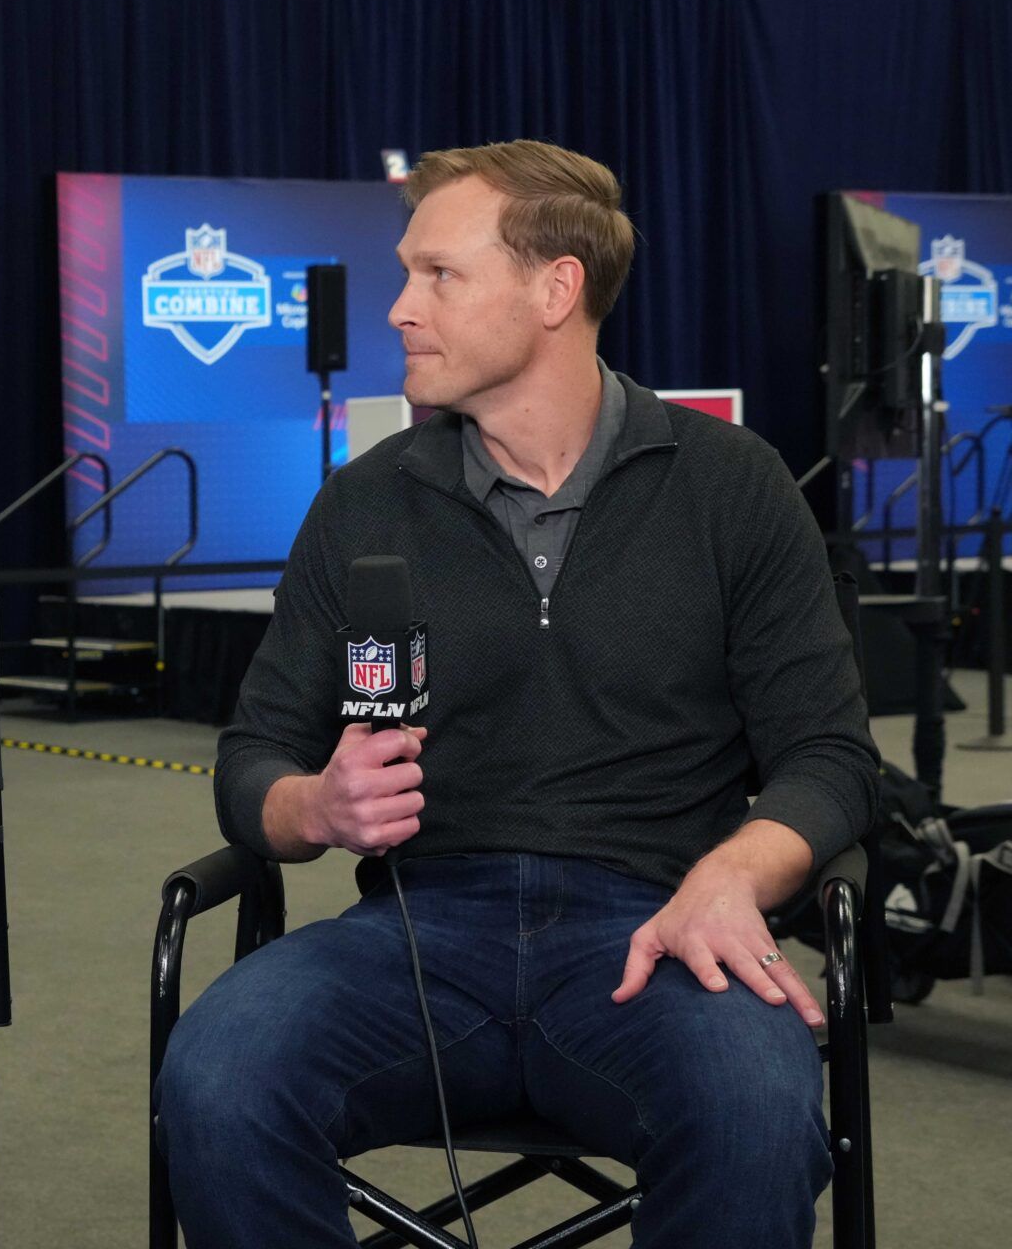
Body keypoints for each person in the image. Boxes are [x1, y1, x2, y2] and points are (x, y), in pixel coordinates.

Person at [156, 140, 878, 1248]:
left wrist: (735, 874)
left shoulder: (733, 484)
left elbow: (829, 756)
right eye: (406, 274)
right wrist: (315, 806)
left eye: (439, 274)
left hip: (658, 930)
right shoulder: (364, 504)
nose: (399, 306)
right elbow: (253, 755)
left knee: (755, 1115)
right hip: (415, 927)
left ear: (556, 288)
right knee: (216, 1077)